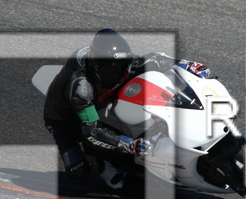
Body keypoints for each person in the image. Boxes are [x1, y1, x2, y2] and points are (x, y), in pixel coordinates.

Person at [44, 29, 210, 189]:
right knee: (80, 173)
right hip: (66, 118)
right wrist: (127, 143)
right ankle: (105, 164)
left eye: (122, 67)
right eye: (111, 69)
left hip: (101, 99)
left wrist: (185, 64)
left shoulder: (116, 59)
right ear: (96, 65)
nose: (117, 74)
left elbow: (152, 60)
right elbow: (91, 131)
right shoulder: (81, 89)